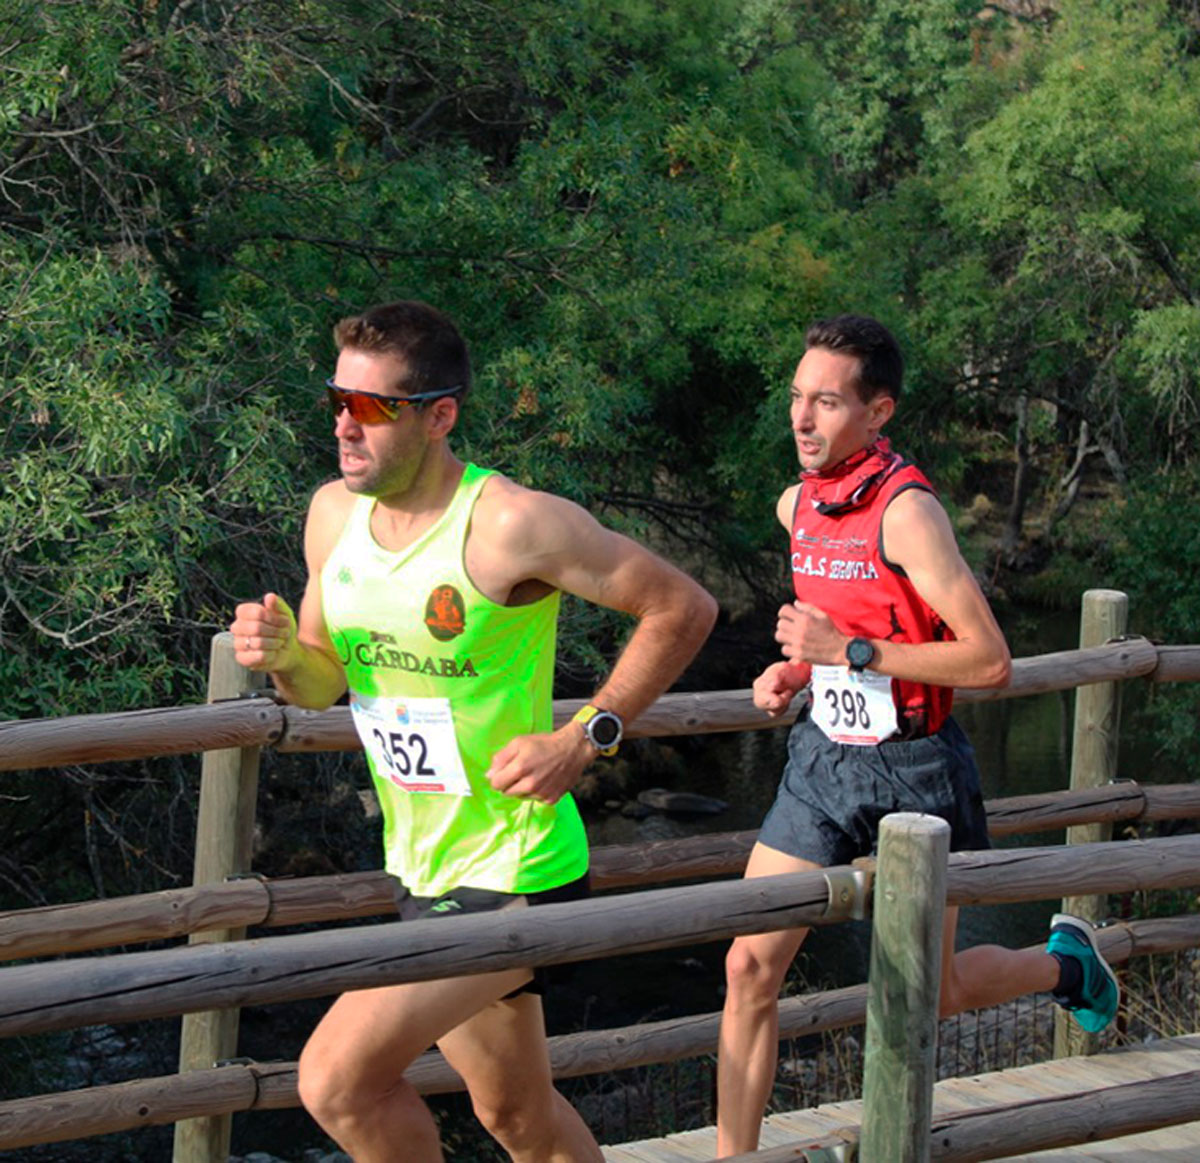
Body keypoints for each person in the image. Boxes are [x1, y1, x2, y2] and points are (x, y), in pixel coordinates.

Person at [231, 299, 717, 1163]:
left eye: (372, 407)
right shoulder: (331, 518)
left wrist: (587, 736)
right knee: (520, 1119)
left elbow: (682, 605)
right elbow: (320, 679)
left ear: (438, 415)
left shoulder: (508, 524)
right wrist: (277, 656)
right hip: (423, 861)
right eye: (336, 400)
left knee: (336, 1080)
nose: (345, 424)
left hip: (517, 865)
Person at [716, 314, 1119, 1157]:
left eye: (827, 402)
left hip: (916, 770)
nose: (802, 418)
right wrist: (795, 670)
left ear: (878, 413)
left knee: (936, 995)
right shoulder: (797, 505)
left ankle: (1065, 965)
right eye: (797, 397)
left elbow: (989, 660)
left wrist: (848, 651)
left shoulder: (909, 513)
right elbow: (837, 632)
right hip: (822, 762)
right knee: (748, 966)